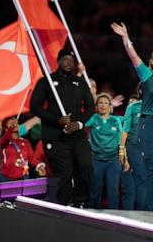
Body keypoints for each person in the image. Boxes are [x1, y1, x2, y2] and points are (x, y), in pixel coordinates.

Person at [111, 22, 153, 211]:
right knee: (152, 168)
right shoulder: (147, 76)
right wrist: (126, 38)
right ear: (152, 61)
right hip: (147, 126)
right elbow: (133, 56)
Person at [30, 48, 95, 207]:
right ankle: (63, 208)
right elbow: (35, 106)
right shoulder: (47, 81)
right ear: (58, 61)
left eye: (72, 61)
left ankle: (78, 202)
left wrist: (78, 124)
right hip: (55, 137)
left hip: (77, 135)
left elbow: (90, 106)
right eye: (65, 60)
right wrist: (56, 120)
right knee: (64, 175)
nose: (69, 63)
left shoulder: (79, 82)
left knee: (86, 168)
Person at [86, 93, 123, 209]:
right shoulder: (93, 118)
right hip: (96, 159)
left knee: (113, 189)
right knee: (95, 188)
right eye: (100, 103)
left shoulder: (116, 120)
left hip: (113, 160)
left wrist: (122, 155)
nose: (103, 105)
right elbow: (82, 123)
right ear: (96, 106)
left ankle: (114, 215)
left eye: (106, 103)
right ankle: (92, 215)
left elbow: (121, 138)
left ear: (110, 106)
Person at [0, 117, 40, 184]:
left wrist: (36, 118)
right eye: (1, 120)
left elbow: (25, 126)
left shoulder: (14, 133)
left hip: (8, 173)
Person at [120, 89, 147, 210]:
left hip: (150, 148)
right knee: (137, 181)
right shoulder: (132, 107)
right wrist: (122, 150)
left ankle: (142, 212)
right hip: (133, 146)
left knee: (144, 181)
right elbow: (125, 130)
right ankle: (135, 214)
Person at [0, 117, 46, 181]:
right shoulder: (3, 142)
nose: (13, 124)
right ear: (6, 129)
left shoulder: (25, 142)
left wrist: (39, 166)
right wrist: (12, 127)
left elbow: (31, 158)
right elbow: (5, 137)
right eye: (10, 123)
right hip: (6, 178)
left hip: (23, 176)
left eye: (14, 122)